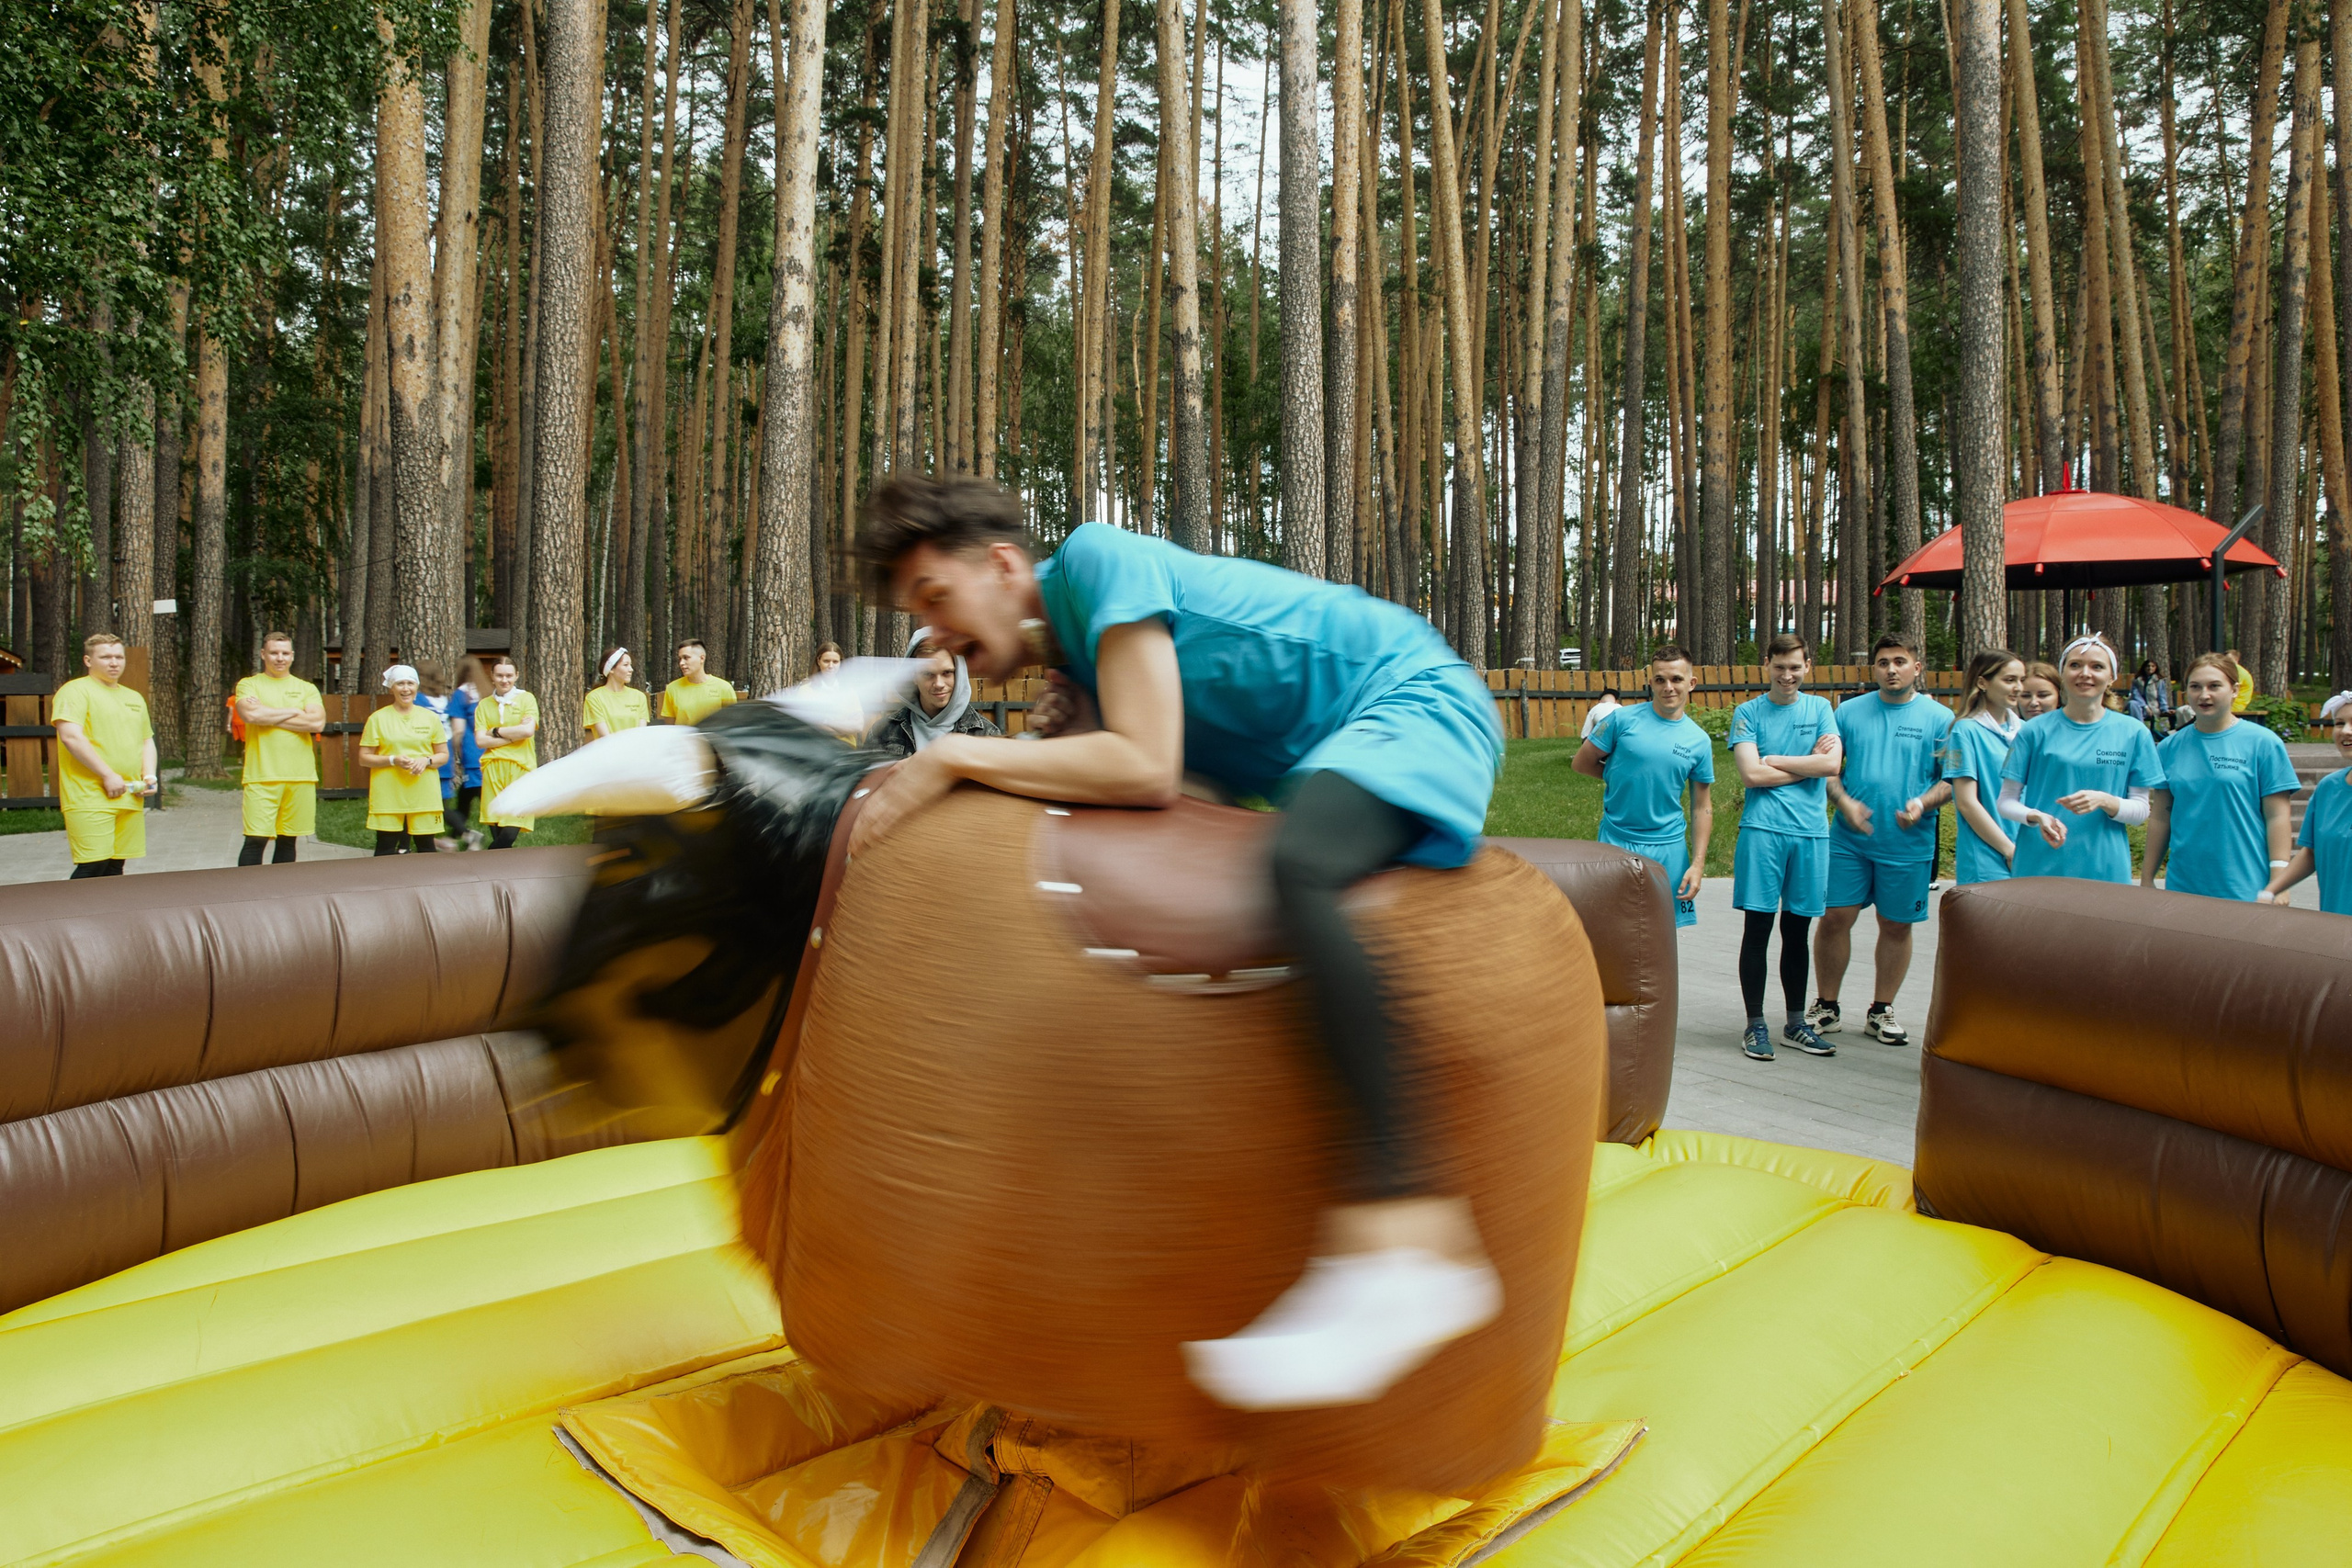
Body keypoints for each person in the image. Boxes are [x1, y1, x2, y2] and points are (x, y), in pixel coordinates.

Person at [848, 475, 1504, 1414]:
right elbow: (1191, 802)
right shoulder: (1081, 654)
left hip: (1409, 696)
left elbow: (1146, 771)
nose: (934, 636)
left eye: (936, 600)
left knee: (1301, 867)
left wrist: (952, 754)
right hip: (1337, 744)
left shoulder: (1098, 562)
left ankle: (1409, 1240)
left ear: (1002, 565)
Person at [1809, 632, 1951, 1047]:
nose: (1892, 669)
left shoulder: (1940, 719)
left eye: (1900, 661)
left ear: (1917, 667)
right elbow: (1828, 767)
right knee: (1835, 918)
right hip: (1849, 841)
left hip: (1909, 843)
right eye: (1884, 662)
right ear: (1874, 668)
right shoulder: (1848, 712)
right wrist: (1844, 802)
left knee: (1896, 924)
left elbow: (1952, 781)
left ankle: (1880, 1010)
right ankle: (1827, 1006)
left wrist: (1923, 804)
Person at [1724, 634, 1840, 1062]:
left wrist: (1775, 759)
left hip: (1811, 834)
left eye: (1795, 667)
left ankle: (1795, 1023)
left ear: (1807, 666)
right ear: (1767, 665)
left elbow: (1831, 765)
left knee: (1797, 932)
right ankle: (1755, 1025)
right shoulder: (1748, 712)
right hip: (1763, 831)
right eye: (1779, 667)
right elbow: (1750, 776)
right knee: (1758, 930)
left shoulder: (1821, 709)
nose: (1787, 675)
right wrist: (1801, 765)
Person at [1997, 634, 2164, 885]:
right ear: (2063, 673)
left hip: (2105, 868)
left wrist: (2105, 800)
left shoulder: (2133, 732)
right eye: (2075, 665)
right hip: (2039, 863)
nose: (2085, 673)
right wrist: (2037, 816)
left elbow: (2141, 811)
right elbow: (2006, 802)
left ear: (2111, 676)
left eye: (2097, 666)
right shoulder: (2034, 731)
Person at [1575, 645, 1714, 931]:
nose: (1668, 688)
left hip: (1669, 848)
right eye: (1660, 680)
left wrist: (1698, 864)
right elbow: (1581, 763)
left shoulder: (1698, 741)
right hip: (1617, 839)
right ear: (1651, 682)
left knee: (1661, 934)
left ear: (1691, 683)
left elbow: (1702, 805)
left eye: (1676, 679)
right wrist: (1619, 775)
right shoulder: (1621, 720)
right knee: (1611, 929)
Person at [2142, 652, 2299, 901]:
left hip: (2245, 886)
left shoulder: (2263, 743)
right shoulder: (2169, 748)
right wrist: (2147, 878)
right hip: (2184, 884)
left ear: (2234, 690)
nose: (2204, 695)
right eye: (2195, 687)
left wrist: (2278, 881)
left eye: (2215, 686)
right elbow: (2162, 816)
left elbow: (2278, 816)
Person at [52, 632, 157, 879]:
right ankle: (67, 917)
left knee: (115, 867)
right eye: (106, 657)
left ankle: (107, 917)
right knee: (92, 866)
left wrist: (149, 775)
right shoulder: (75, 691)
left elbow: (146, 740)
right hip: (89, 794)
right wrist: (108, 775)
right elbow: (71, 736)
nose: (114, 662)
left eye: (119, 657)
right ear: (88, 661)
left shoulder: (134, 697)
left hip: (129, 794)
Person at [232, 629, 323, 866]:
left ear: (292, 656)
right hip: (262, 775)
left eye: (285, 653)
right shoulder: (249, 684)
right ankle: (247, 894)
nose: (279, 658)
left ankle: (282, 893)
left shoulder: (306, 688)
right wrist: (295, 711)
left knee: (288, 840)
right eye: (274, 653)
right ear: (263, 654)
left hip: (300, 776)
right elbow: (251, 715)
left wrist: (268, 713)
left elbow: (316, 722)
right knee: (255, 839)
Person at [1941, 649, 2027, 888]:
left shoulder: (2025, 731)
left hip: (2027, 853)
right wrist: (2009, 851)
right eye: (2009, 680)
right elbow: (1967, 803)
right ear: (1983, 683)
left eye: (2021, 680)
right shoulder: (1966, 731)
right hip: (1987, 858)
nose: (2018, 687)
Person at [2261, 710, 2352, 912]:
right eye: (2339, 723)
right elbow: (2311, 852)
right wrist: (2270, 891)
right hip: (2335, 925)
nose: (2346, 731)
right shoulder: (2328, 788)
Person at [865, 630, 1004, 757]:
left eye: (947, 673)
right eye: (928, 674)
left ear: (959, 674)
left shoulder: (985, 735)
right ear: (913, 676)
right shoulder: (883, 733)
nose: (939, 684)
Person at [358, 665, 447, 854]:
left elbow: (443, 755)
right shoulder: (378, 718)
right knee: (385, 848)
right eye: (400, 684)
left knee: (426, 848)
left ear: (417, 686)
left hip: (423, 792)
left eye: (410, 683)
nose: (405, 688)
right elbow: (364, 758)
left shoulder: (430, 718)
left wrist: (426, 761)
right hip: (389, 792)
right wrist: (392, 760)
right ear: (392, 688)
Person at [476, 657, 539, 849]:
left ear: (517, 676)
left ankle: (488, 857)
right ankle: (499, 872)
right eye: (500, 675)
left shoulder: (526, 699)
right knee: (498, 828)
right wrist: (514, 735)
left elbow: (527, 731)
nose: (505, 680)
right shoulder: (484, 705)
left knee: (511, 831)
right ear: (492, 676)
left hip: (521, 767)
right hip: (493, 768)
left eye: (509, 675)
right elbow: (480, 740)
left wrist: (495, 731)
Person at [444, 657, 487, 847]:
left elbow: (459, 730)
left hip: (472, 754)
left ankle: (472, 836)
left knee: (476, 794)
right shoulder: (488, 692)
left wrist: (456, 753)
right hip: (489, 751)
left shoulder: (462, 694)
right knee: (465, 797)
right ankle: (457, 837)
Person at [662, 638, 738, 727]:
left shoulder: (724, 687)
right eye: (680, 659)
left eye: (686, 658)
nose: (681, 663)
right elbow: (670, 726)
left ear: (702, 658)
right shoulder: (673, 688)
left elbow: (732, 722)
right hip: (685, 740)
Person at [585, 647, 650, 739]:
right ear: (611, 669)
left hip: (636, 752)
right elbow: (605, 736)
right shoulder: (594, 697)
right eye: (626, 665)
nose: (631, 669)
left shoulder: (639, 697)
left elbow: (641, 734)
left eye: (631, 665)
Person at [2129, 660, 2171, 734]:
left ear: (2156, 668)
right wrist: (2145, 706)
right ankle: (2139, 729)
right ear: (2144, 668)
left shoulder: (2159, 680)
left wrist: (2165, 709)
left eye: (2152, 666)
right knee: (2132, 703)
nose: (2150, 668)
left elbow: (2162, 695)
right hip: (2140, 706)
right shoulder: (2137, 680)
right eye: (2148, 666)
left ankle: (2143, 732)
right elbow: (2135, 694)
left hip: (2153, 707)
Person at [2228, 649, 2255, 713]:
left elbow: (2231, 688)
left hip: (2237, 704)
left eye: (2230, 660)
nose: (2228, 662)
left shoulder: (2238, 671)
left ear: (2236, 660)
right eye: (2226, 660)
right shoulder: (2232, 670)